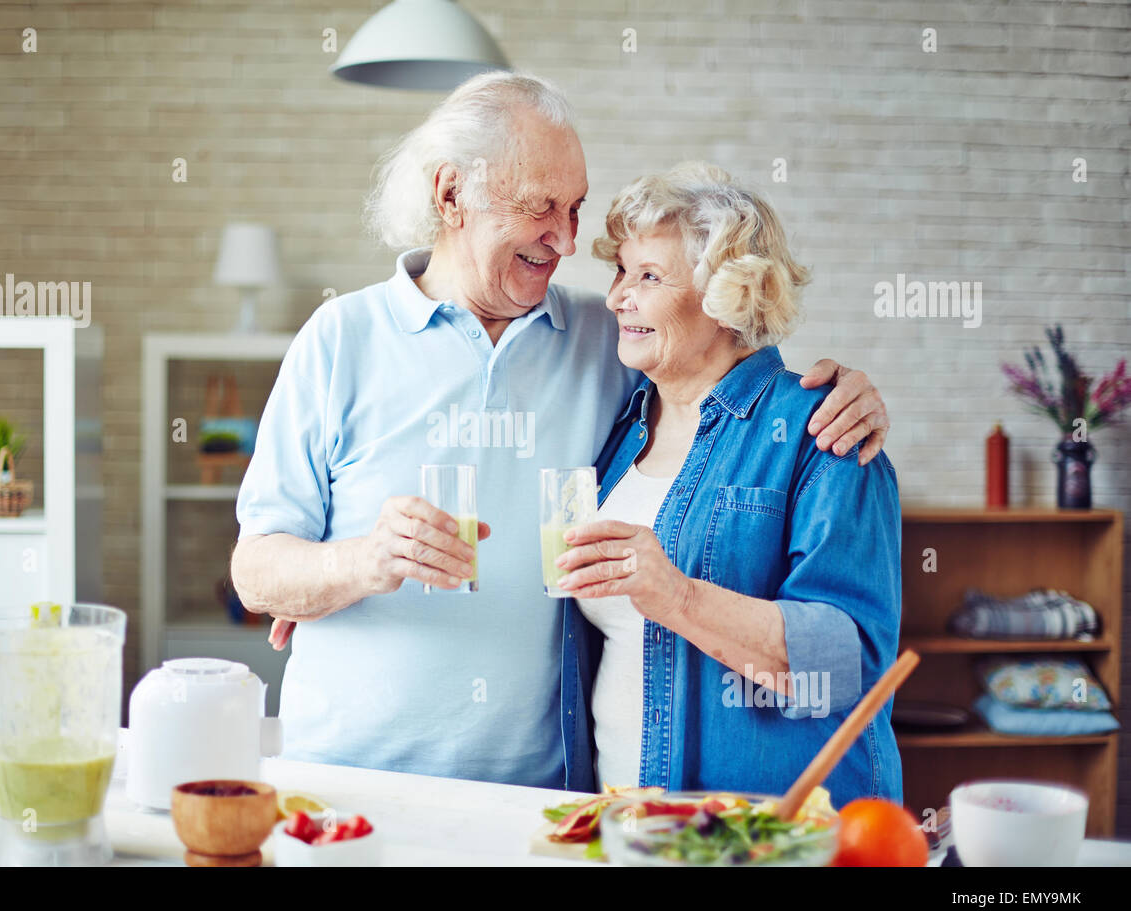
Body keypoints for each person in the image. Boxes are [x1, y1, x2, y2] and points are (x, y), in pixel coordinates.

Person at [230, 71, 891, 789]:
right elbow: (256, 571)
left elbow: (722, 368)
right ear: (451, 195)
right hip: (348, 780)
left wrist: (846, 393)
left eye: (575, 209)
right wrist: (352, 566)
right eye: (541, 207)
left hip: (541, 799)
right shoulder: (339, 339)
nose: (568, 240)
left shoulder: (601, 342)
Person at [555, 161, 902, 805]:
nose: (617, 298)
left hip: (766, 835)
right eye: (620, 272)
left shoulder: (824, 433)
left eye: (649, 276)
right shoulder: (622, 426)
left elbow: (848, 664)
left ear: (730, 296)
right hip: (626, 826)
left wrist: (679, 597)